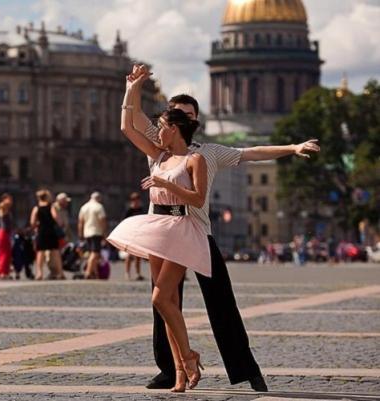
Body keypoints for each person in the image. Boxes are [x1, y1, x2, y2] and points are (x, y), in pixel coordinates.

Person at [126, 64, 320, 392]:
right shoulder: (158, 148)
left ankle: (246, 368)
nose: (179, 118)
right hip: (162, 231)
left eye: (187, 113)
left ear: (194, 119)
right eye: (175, 113)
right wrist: (131, 87)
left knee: (221, 302)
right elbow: (130, 121)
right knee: (163, 301)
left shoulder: (209, 153)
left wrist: (292, 148)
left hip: (197, 231)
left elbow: (252, 153)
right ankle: (169, 369)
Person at [108, 104, 208, 392]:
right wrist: (131, 89)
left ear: (174, 129)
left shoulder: (194, 159)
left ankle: (189, 356)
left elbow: (198, 199)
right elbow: (127, 128)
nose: (157, 132)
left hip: (180, 227)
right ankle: (179, 371)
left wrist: (165, 182)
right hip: (157, 226)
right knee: (169, 304)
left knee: (160, 298)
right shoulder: (159, 155)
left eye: (161, 126)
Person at [30, 189, 65, 280]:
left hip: (41, 231)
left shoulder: (36, 208)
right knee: (56, 252)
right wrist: (60, 223)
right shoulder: (51, 207)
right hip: (51, 231)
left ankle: (39, 273)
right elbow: (56, 217)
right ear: (46, 197)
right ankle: (60, 273)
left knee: (40, 252)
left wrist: (35, 227)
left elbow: (32, 222)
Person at [78, 192, 107, 279]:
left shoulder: (84, 207)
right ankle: (88, 272)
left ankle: (95, 273)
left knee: (92, 253)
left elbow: (80, 222)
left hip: (87, 233)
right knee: (95, 253)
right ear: (98, 198)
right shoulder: (99, 206)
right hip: (96, 232)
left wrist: (80, 234)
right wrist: (105, 234)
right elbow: (103, 221)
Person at [123, 192, 145, 281]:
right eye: (134, 199)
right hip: (130, 234)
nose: (136, 201)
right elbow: (124, 222)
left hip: (139, 234)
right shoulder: (129, 210)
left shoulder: (141, 209)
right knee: (129, 254)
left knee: (138, 255)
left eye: (137, 199)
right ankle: (127, 273)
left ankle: (138, 273)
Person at [0, 193, 14, 280]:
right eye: (9, 199)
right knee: (4, 253)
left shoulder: (8, 210)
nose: (11, 201)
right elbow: (1, 206)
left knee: (7, 253)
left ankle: (5, 272)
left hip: (7, 232)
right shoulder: (2, 208)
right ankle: (2, 272)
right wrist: (5, 202)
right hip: (3, 232)